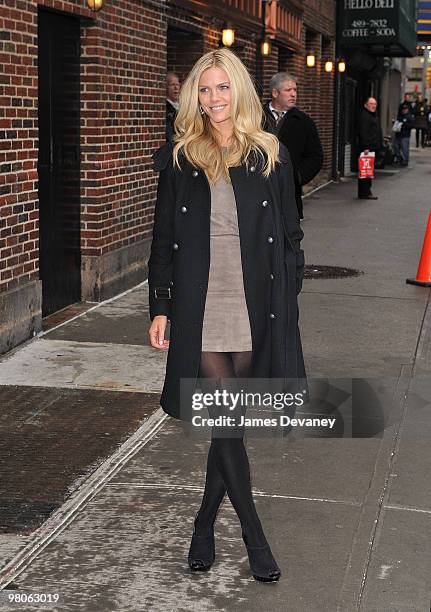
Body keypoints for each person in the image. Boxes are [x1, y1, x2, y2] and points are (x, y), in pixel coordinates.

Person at [148, 48, 305, 582]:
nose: (213, 99)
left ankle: (203, 521)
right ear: (195, 95)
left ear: (238, 89)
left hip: (255, 300)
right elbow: (163, 238)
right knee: (226, 422)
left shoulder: (269, 154)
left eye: (222, 87)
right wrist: (161, 306)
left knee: (228, 424)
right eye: (204, 89)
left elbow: (290, 236)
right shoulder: (180, 155)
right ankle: (254, 538)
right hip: (201, 301)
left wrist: (289, 300)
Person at [262, 72, 323, 220]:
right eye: (288, 90)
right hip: (257, 191)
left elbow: (315, 156)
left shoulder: (304, 122)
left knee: (289, 238)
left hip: (289, 195)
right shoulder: (254, 117)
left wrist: (298, 177)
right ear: (275, 93)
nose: (293, 94)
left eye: (295, 90)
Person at [357, 97, 383, 200]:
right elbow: (363, 132)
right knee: (365, 171)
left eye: (375, 104)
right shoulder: (365, 116)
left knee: (368, 170)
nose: (373, 106)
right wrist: (366, 146)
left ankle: (366, 191)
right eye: (371, 104)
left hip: (372, 147)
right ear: (366, 105)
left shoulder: (372, 115)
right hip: (367, 148)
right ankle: (365, 192)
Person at [166, 72, 180, 142]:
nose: (176, 88)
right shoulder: (166, 108)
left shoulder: (181, 105)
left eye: (177, 84)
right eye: (172, 85)